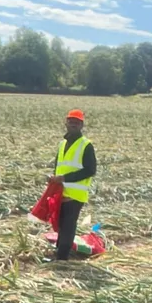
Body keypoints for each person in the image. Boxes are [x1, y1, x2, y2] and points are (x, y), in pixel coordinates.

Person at [47, 109, 97, 261]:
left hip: (75, 194)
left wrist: (64, 178)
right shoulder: (62, 144)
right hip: (61, 192)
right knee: (61, 226)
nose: (73, 124)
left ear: (81, 125)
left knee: (68, 227)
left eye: (77, 122)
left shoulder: (86, 145)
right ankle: (59, 254)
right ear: (66, 123)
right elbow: (59, 166)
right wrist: (54, 178)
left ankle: (62, 258)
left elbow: (90, 170)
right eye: (71, 121)